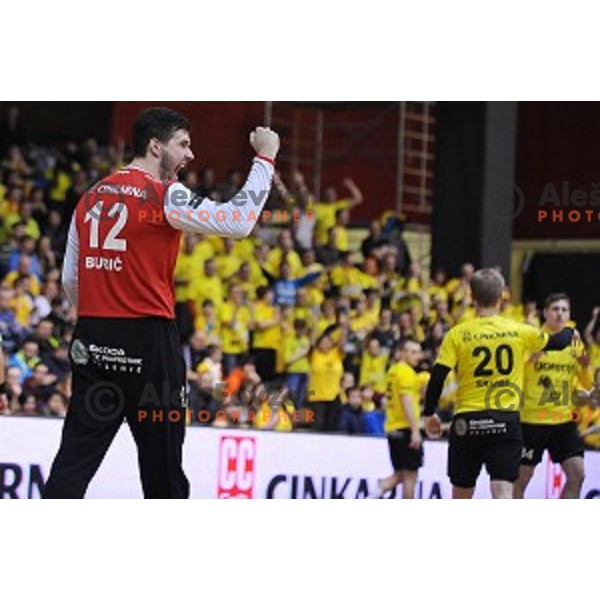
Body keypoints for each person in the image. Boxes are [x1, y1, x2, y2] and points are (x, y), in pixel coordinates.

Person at [43, 106, 280, 499]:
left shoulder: (90, 196)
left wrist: (102, 313)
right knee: (162, 469)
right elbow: (238, 222)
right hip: (147, 343)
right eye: (183, 144)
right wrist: (265, 158)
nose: (190, 155)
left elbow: (71, 278)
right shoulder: (164, 193)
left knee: (73, 461)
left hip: (93, 337)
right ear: (156, 146)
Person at [423, 268, 577, 499]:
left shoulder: (457, 334)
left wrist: (429, 413)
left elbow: (438, 375)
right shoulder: (518, 330)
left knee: (461, 494)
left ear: (472, 297)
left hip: (467, 421)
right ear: (501, 297)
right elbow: (557, 342)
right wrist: (569, 329)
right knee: (503, 491)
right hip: (504, 420)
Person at [514, 293, 592, 499]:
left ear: (569, 315)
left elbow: (586, 384)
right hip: (532, 420)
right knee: (520, 479)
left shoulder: (575, 343)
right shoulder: (534, 339)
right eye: (555, 309)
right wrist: (531, 358)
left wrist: (585, 366)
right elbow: (514, 374)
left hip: (563, 420)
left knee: (577, 474)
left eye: (564, 310)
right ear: (546, 313)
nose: (559, 314)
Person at [371, 339, 424, 499]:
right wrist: (415, 431)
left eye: (419, 352)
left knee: (400, 473)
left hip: (392, 427)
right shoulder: (406, 372)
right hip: (405, 428)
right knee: (410, 476)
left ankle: (376, 492)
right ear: (402, 353)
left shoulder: (392, 371)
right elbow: (406, 400)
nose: (418, 356)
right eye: (413, 352)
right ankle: (380, 490)